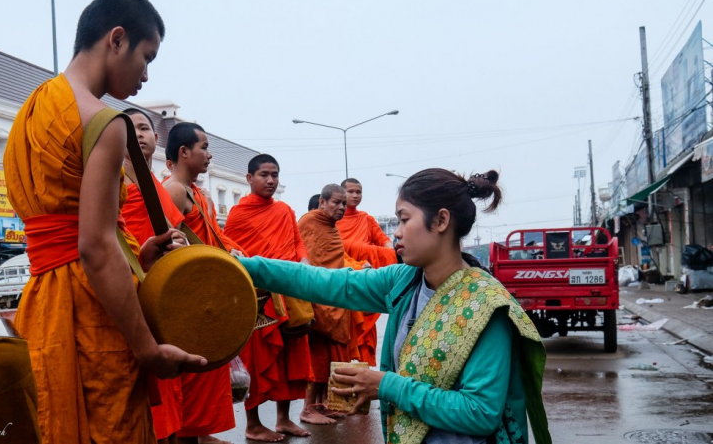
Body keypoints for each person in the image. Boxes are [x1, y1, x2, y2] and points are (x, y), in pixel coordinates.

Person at [3, 0, 205, 443]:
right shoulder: (105, 121)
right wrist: (147, 349)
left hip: (41, 303)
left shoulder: (31, 111)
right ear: (117, 39)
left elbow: (65, 228)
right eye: (146, 56)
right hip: (92, 312)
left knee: (53, 420)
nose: (146, 75)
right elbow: (94, 247)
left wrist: (139, 256)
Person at [237, 169, 552, 444]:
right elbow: (323, 282)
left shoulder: (486, 306)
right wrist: (242, 266)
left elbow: (481, 413)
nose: (397, 232)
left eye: (404, 219)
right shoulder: (405, 281)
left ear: (441, 220)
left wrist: (386, 385)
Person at [223, 154, 314, 441]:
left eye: (275, 174)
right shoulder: (238, 214)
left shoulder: (285, 210)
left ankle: (283, 420)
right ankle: (252, 424)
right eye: (264, 174)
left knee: (289, 359)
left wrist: (303, 260)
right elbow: (235, 254)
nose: (271, 180)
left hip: (288, 293)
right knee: (258, 359)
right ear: (249, 179)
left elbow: (297, 243)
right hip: (260, 297)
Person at [164, 122, 244, 444]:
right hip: (189, 290)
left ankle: (199, 434)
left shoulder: (199, 194)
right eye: (204, 148)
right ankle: (188, 436)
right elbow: (165, 241)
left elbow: (212, 237)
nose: (209, 155)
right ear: (184, 153)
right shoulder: (173, 190)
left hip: (207, 287)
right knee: (193, 370)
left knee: (207, 366)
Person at [120, 108, 186, 444]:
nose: (140, 134)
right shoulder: (114, 183)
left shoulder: (158, 189)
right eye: (131, 129)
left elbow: (174, 230)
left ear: (157, 139)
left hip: (167, 290)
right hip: (131, 287)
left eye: (145, 128)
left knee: (169, 376)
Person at [297, 184, 369, 424]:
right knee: (317, 358)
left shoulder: (332, 228)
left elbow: (335, 262)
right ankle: (307, 409)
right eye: (336, 203)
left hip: (334, 299)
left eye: (344, 204)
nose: (340, 208)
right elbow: (309, 259)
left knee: (328, 357)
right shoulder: (308, 222)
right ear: (322, 203)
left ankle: (320, 405)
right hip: (317, 300)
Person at [337, 178, 398, 366]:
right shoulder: (334, 219)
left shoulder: (366, 219)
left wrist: (378, 255)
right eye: (351, 191)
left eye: (359, 192)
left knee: (364, 340)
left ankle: (363, 385)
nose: (355, 195)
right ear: (341, 193)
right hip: (344, 282)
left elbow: (387, 245)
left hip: (366, 281)